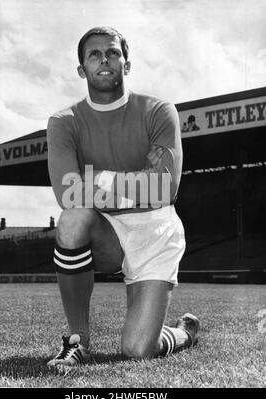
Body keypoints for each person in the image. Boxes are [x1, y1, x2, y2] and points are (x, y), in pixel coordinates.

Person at [46, 26, 199, 373]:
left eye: (113, 52)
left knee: (137, 349)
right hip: (108, 230)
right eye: (94, 54)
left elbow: (164, 190)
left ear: (126, 65)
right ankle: (77, 341)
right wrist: (138, 183)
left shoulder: (159, 110)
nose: (104, 59)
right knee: (72, 218)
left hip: (156, 229)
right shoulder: (64, 122)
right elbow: (67, 193)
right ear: (81, 69)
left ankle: (183, 333)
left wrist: (97, 177)